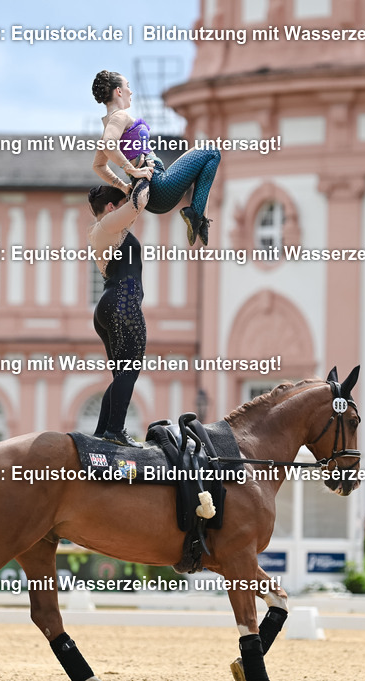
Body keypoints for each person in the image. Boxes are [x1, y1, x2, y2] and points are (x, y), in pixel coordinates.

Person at [91, 69, 221, 246]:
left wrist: (123, 185)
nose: (131, 91)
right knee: (213, 153)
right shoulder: (119, 116)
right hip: (159, 185)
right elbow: (108, 145)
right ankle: (196, 215)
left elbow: (98, 166)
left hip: (152, 195)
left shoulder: (109, 124)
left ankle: (199, 217)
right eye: (127, 86)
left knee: (201, 156)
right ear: (118, 91)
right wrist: (132, 170)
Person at [87, 182, 151, 446]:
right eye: (120, 207)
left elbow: (134, 206)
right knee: (130, 370)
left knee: (121, 374)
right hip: (123, 304)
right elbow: (139, 201)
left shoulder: (102, 230)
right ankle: (115, 431)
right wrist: (145, 172)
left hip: (107, 306)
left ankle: (104, 432)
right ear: (112, 208)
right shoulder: (109, 225)